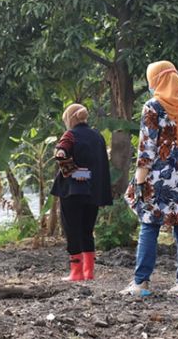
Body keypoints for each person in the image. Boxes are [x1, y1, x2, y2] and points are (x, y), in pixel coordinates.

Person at [120, 60, 178, 300]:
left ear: (157, 80)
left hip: (159, 178)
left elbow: (147, 148)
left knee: (149, 226)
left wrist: (140, 182)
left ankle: (141, 283)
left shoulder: (153, 106)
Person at [50, 103, 112, 282]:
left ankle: (76, 272)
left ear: (70, 118)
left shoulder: (70, 135)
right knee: (87, 230)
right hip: (93, 192)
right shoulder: (97, 136)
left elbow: (61, 154)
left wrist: (75, 173)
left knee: (72, 230)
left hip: (72, 191)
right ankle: (89, 272)